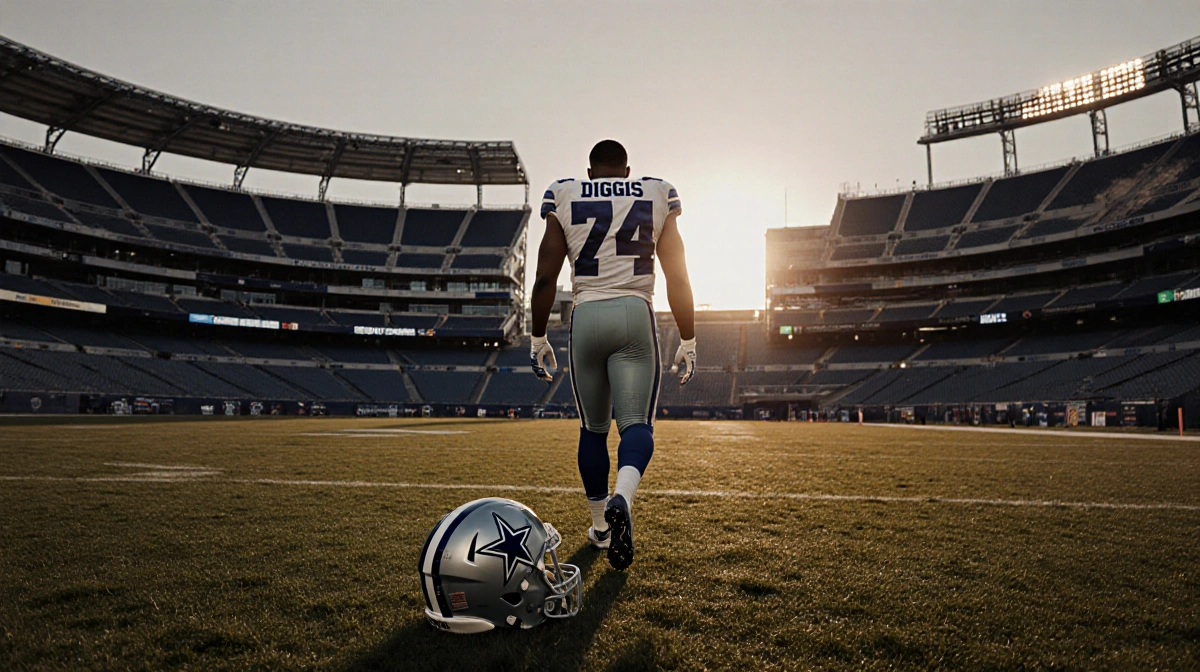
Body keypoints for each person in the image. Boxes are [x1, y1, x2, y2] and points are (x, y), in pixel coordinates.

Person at [528, 139, 696, 571]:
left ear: (590, 173)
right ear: (627, 171)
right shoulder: (656, 190)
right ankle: (623, 495)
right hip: (634, 313)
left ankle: (601, 527)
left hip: (585, 316)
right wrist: (688, 338)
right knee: (636, 425)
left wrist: (538, 336)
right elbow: (677, 274)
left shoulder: (564, 192)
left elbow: (545, 276)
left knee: (592, 429)